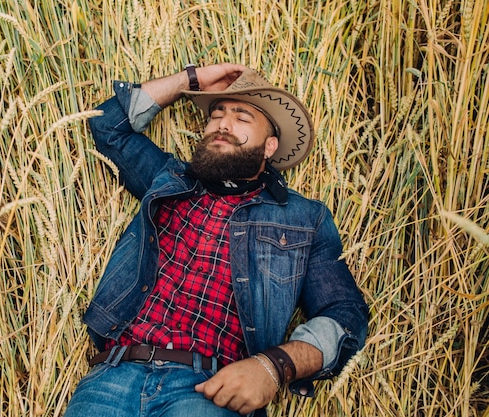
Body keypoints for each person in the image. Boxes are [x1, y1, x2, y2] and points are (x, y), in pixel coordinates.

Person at [64, 63, 368, 417]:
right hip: (109, 380)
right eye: (217, 114)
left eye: (242, 117)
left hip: (208, 391)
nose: (223, 123)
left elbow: (345, 314)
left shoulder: (303, 218)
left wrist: (273, 366)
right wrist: (190, 80)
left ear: (270, 146)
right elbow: (107, 125)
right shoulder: (168, 179)